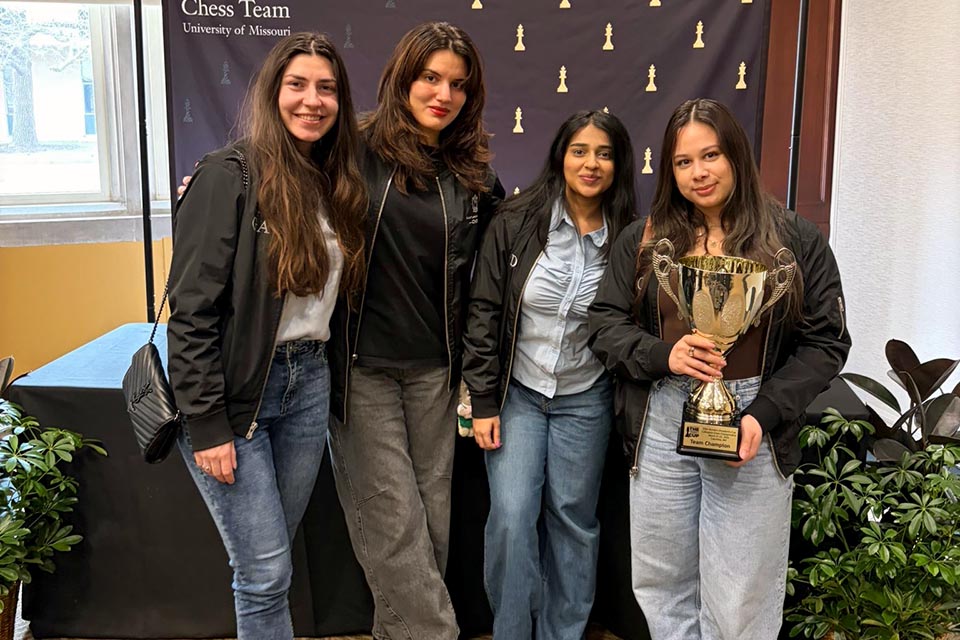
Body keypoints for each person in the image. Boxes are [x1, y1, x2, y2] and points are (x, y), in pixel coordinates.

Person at [587, 98, 850, 640]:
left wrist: (763, 413)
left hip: (753, 423)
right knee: (663, 587)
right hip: (662, 419)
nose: (698, 172)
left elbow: (826, 341)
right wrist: (666, 355)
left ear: (736, 156)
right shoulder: (643, 241)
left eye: (711, 155)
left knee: (739, 599)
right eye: (683, 162)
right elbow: (604, 325)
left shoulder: (794, 240)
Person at [166, 33, 367, 640]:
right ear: (271, 92)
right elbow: (191, 311)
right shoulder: (228, 174)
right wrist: (207, 424)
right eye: (297, 85)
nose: (313, 101)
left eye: (327, 89)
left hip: (307, 388)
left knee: (271, 564)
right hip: (237, 394)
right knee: (262, 570)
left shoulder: (331, 179)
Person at [326, 22, 504, 640]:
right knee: (392, 523)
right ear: (404, 76)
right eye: (430, 77)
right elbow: (275, 183)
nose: (443, 94)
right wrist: (209, 187)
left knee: (430, 526)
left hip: (435, 372)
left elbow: (505, 262)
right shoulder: (350, 145)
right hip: (361, 368)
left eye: (457, 84)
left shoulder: (471, 173)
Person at [462, 110, 638, 639]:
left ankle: (563, 633)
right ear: (560, 156)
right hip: (517, 393)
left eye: (604, 154)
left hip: (586, 398)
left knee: (573, 521)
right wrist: (484, 400)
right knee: (513, 518)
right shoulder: (515, 221)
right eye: (579, 150)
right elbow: (484, 310)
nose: (591, 163)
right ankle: (513, 631)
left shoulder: (631, 237)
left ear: (619, 165)